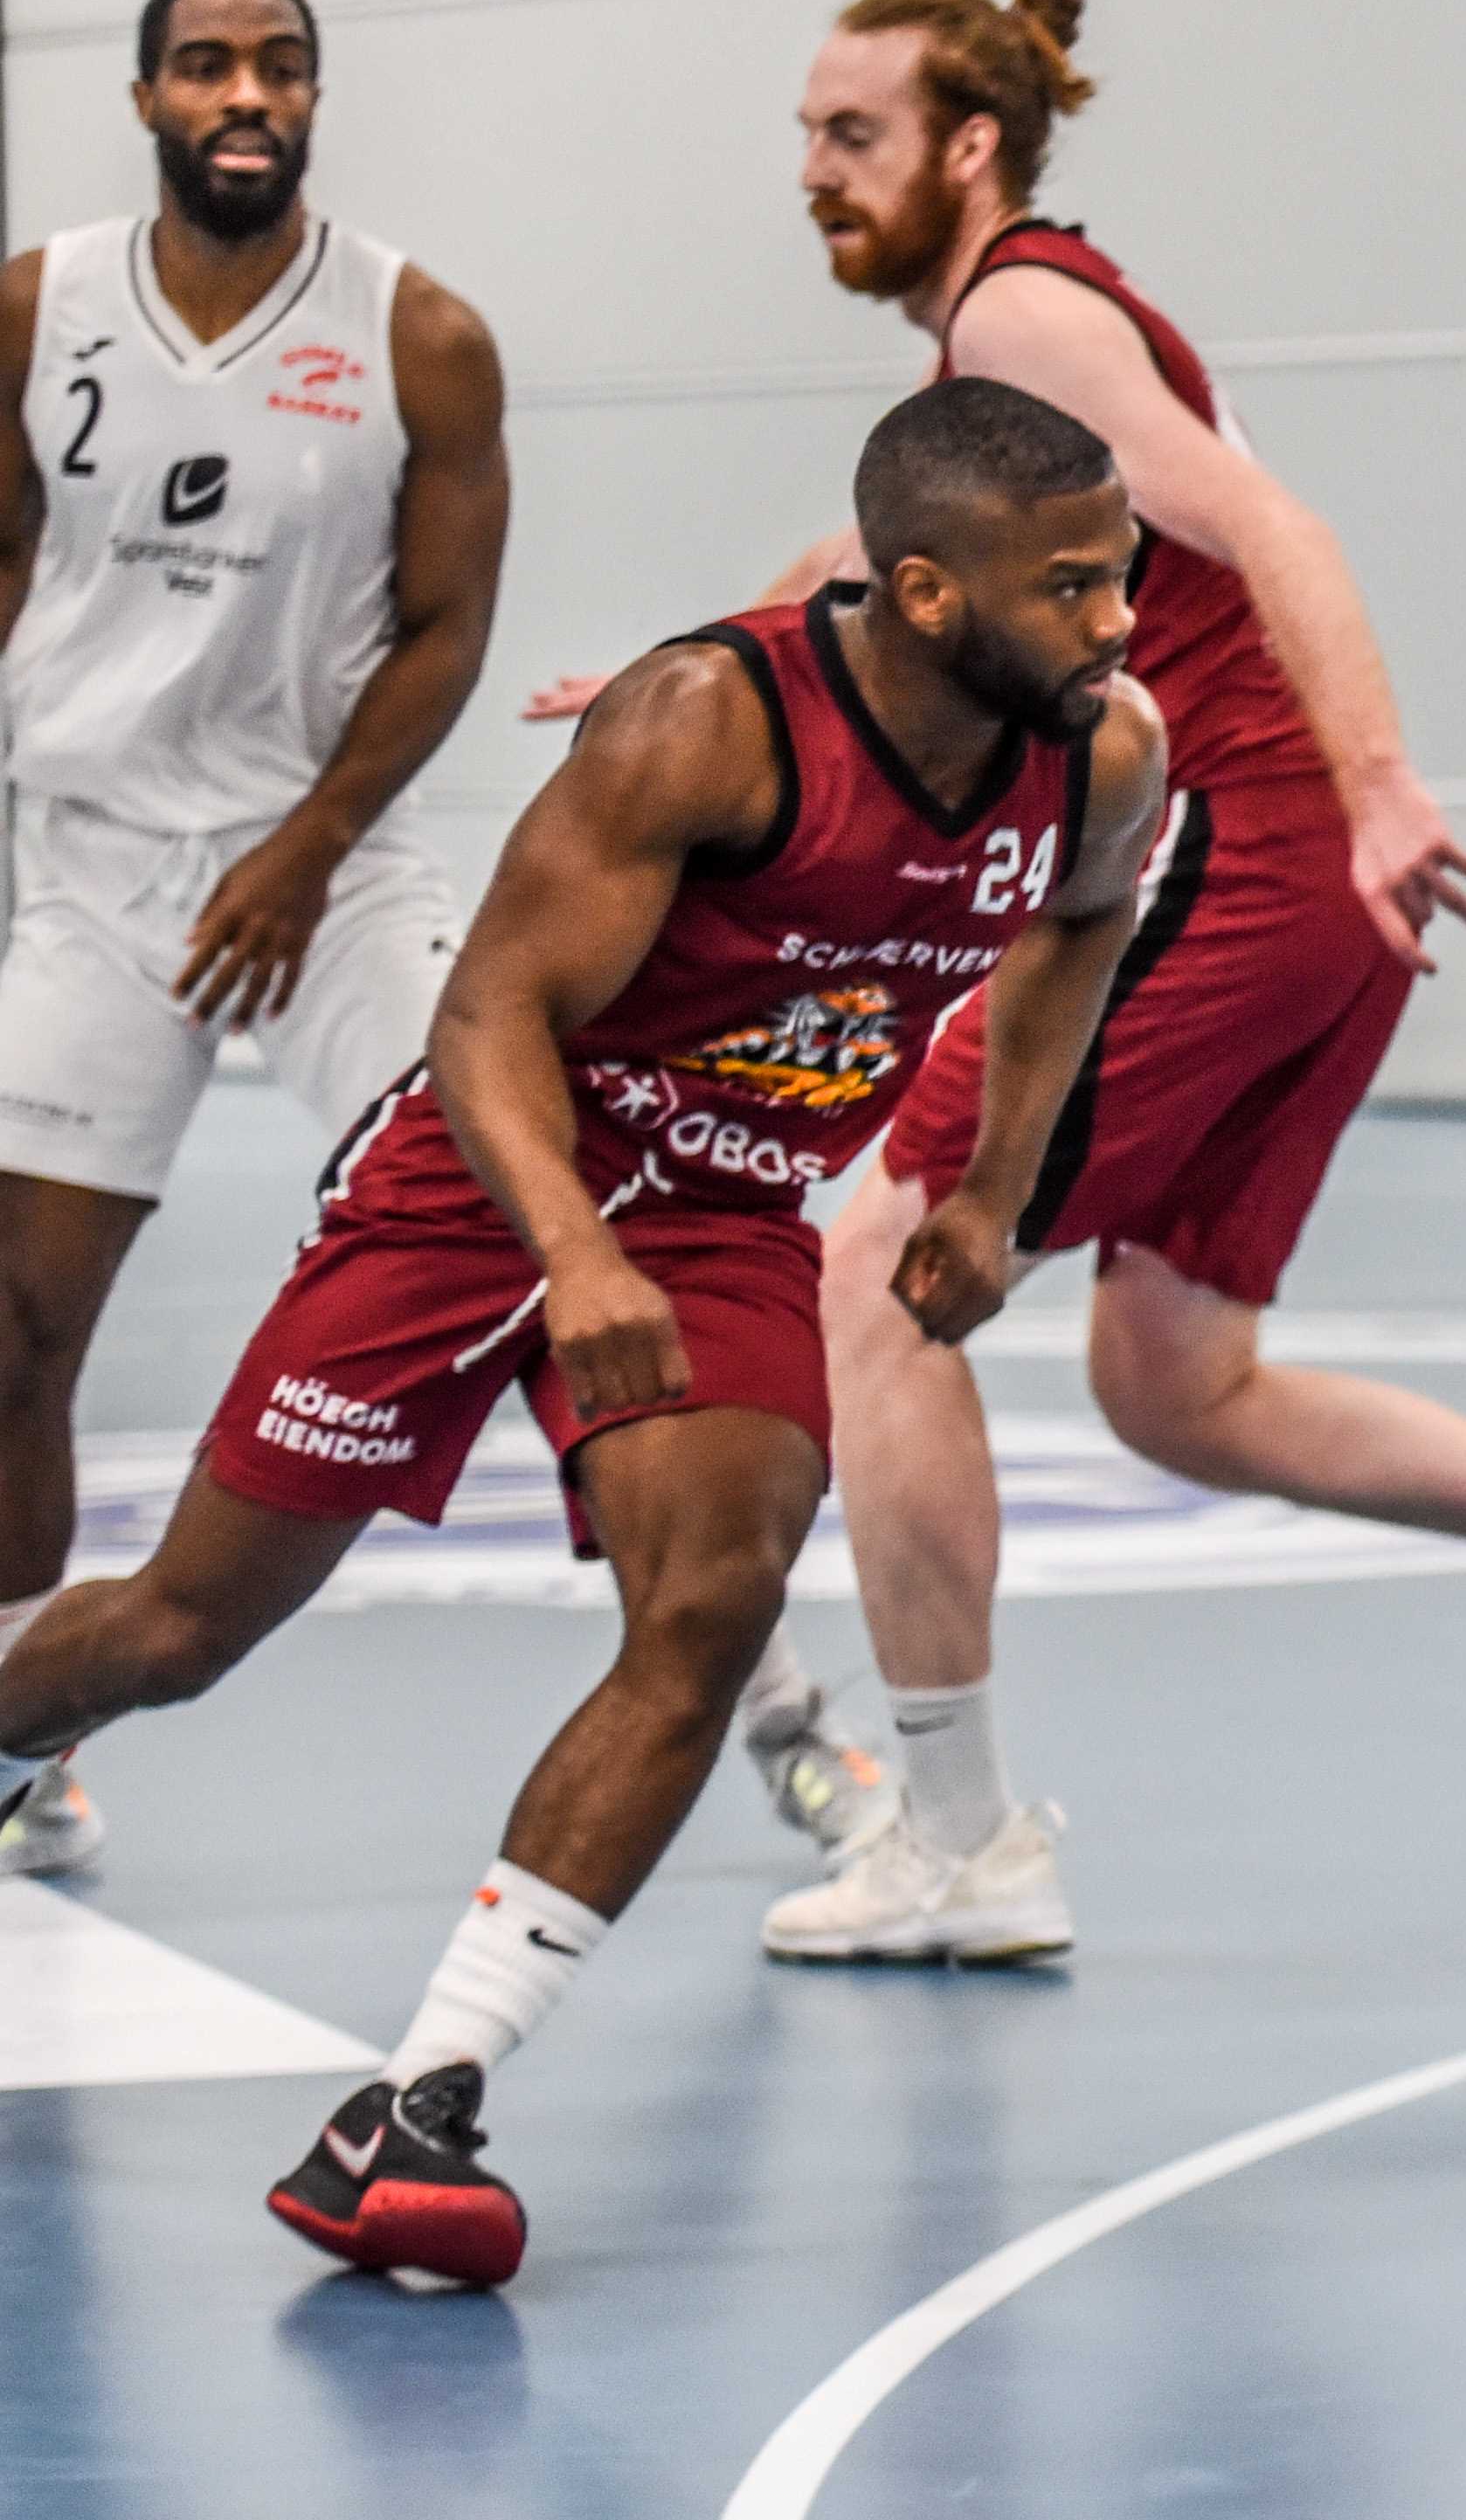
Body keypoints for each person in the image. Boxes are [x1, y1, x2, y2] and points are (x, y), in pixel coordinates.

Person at [536, 0, 1466, 1970]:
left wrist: (1377, 784)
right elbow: (869, 569)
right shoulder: (1022, 343)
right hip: (1306, 888)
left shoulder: (1024, 314)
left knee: (877, 1272)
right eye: (802, 138)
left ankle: (959, 1841)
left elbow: (1268, 520)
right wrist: (693, 670)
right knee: (1173, 1380)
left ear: (968, 148)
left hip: (1245, 852)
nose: (811, 176)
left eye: (848, 138)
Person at [0, 379, 1165, 2285]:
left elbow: (1078, 934)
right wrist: (574, 1255)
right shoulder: (707, 723)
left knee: (707, 1606)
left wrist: (988, 1192)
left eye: (1123, 577)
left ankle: (421, 2105)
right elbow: (481, 1023)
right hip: (491, 1173)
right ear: (933, 594)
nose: (1121, 622)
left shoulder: (1099, 757)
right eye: (1079, 587)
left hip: (722, 1216)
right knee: (178, 1632)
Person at [0, 0, 522, 1879]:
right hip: (99, 866)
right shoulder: (37, 304)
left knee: (521, 1215)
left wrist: (308, 841)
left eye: (280, 66)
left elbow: (447, 629)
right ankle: (26, 1739)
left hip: (333, 863)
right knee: (14, 1334)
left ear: (314, 96)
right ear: (145, 96)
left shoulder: (422, 334)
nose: (247, 93)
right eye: (208, 65)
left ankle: (772, 1700)